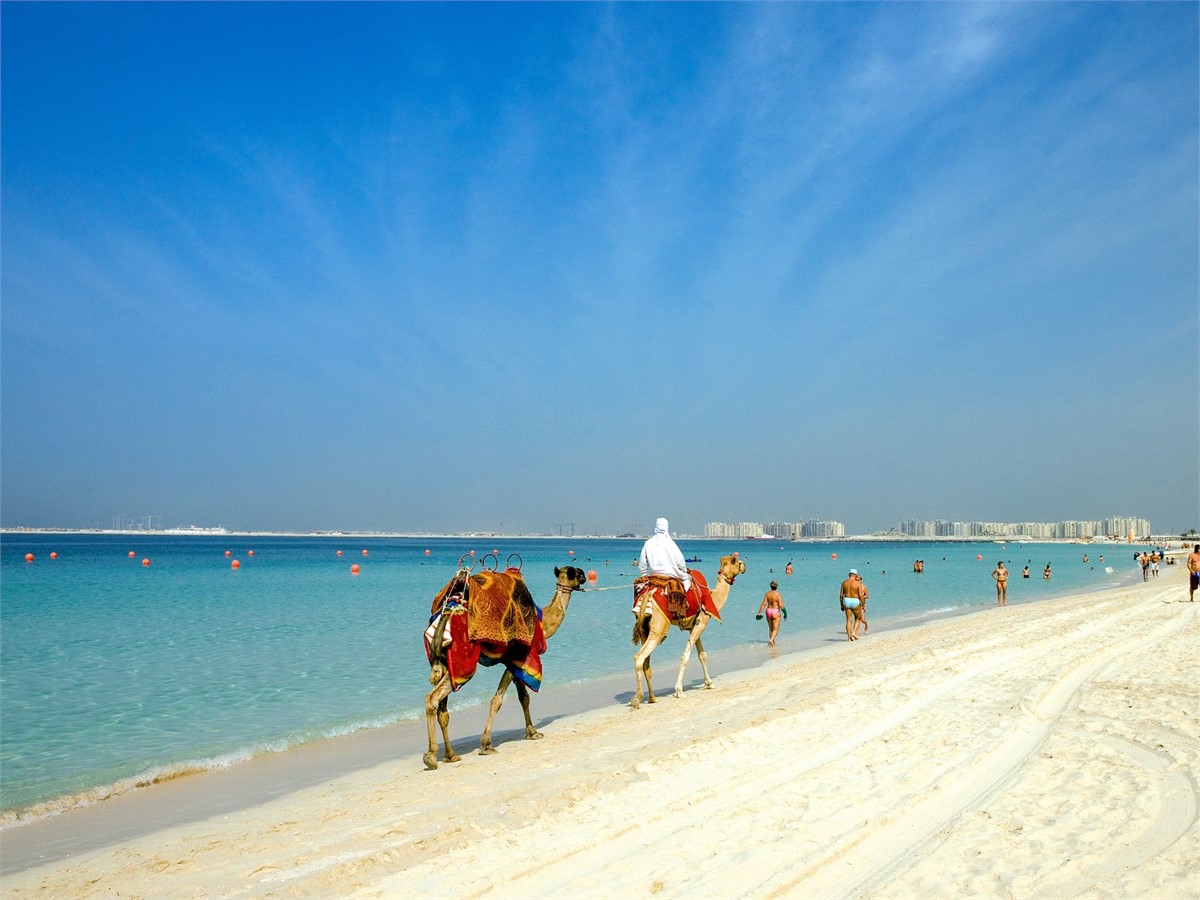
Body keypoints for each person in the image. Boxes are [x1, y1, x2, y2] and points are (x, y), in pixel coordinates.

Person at [636, 518, 691, 618]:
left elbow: (642, 563)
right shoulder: (671, 544)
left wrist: (643, 574)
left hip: (653, 575)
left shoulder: (648, 543)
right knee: (688, 580)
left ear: (656, 528)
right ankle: (682, 606)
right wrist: (684, 570)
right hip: (671, 574)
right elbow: (680, 561)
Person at [839, 568, 867, 641]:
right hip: (855, 601)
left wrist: (841, 604)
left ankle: (849, 638)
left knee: (848, 620)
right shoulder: (858, 583)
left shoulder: (844, 582)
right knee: (858, 618)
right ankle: (854, 632)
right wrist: (863, 604)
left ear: (849, 575)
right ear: (855, 575)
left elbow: (841, 595)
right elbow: (861, 596)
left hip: (846, 600)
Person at [756, 581, 787, 646]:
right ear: (777, 587)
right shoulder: (778, 594)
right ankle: (771, 640)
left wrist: (759, 613)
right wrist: (785, 613)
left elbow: (764, 604)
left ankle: (772, 643)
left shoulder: (767, 594)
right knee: (775, 629)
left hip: (768, 611)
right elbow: (781, 605)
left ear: (771, 586)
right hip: (775, 611)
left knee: (771, 628)